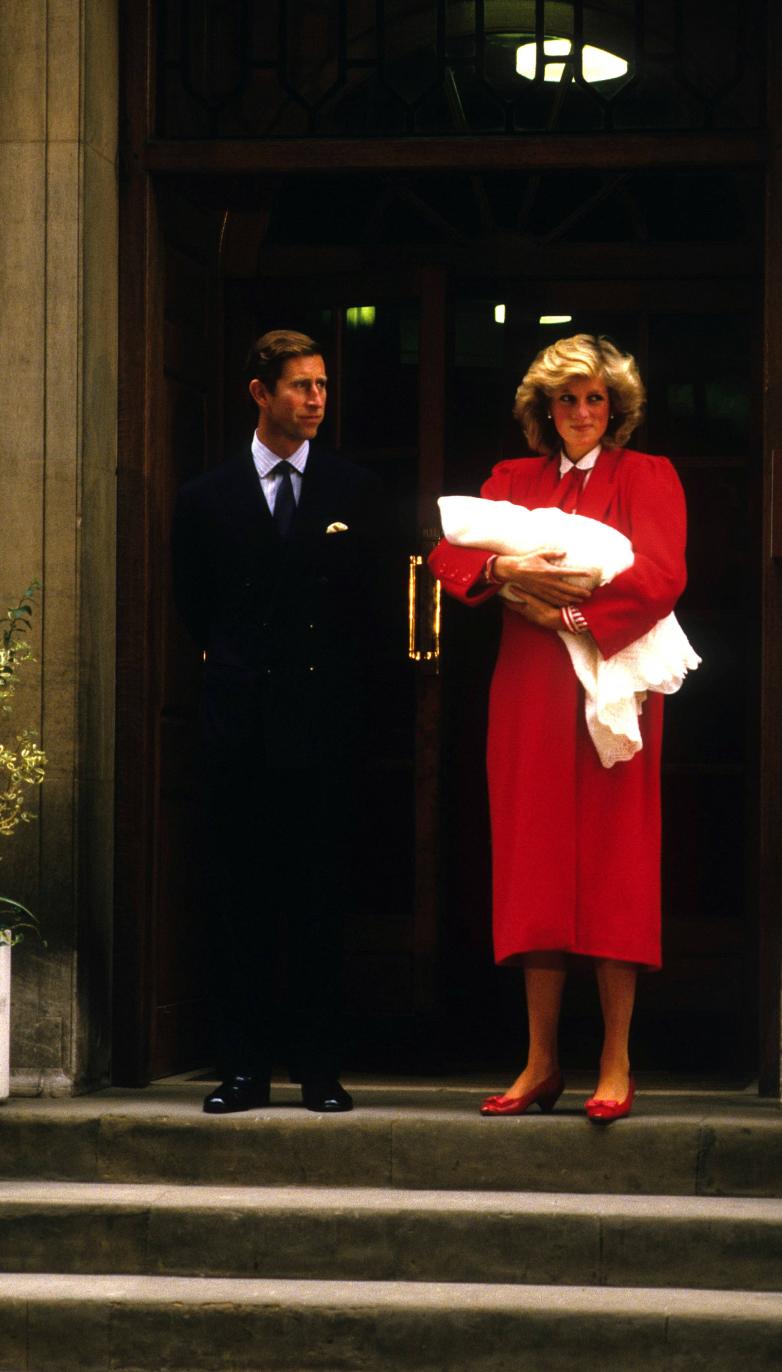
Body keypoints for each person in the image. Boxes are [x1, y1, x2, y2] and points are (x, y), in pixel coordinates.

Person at [429, 334, 687, 1123]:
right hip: (531, 692)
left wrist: (567, 611)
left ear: (617, 408)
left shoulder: (649, 476)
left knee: (616, 861)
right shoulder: (513, 480)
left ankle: (616, 1059)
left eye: (595, 399)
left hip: (615, 687)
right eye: (566, 399)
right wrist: (505, 571)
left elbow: (662, 574)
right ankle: (541, 1061)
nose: (580, 412)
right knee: (535, 861)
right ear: (546, 408)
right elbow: (448, 553)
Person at [171, 329, 385, 1114]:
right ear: (259, 393)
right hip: (238, 728)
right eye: (301, 386)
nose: (317, 398)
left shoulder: (353, 491)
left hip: (323, 729)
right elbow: (195, 607)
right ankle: (242, 1070)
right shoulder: (205, 498)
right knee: (239, 902)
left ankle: (320, 1071)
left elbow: (365, 614)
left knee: (319, 902)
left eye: (323, 385)